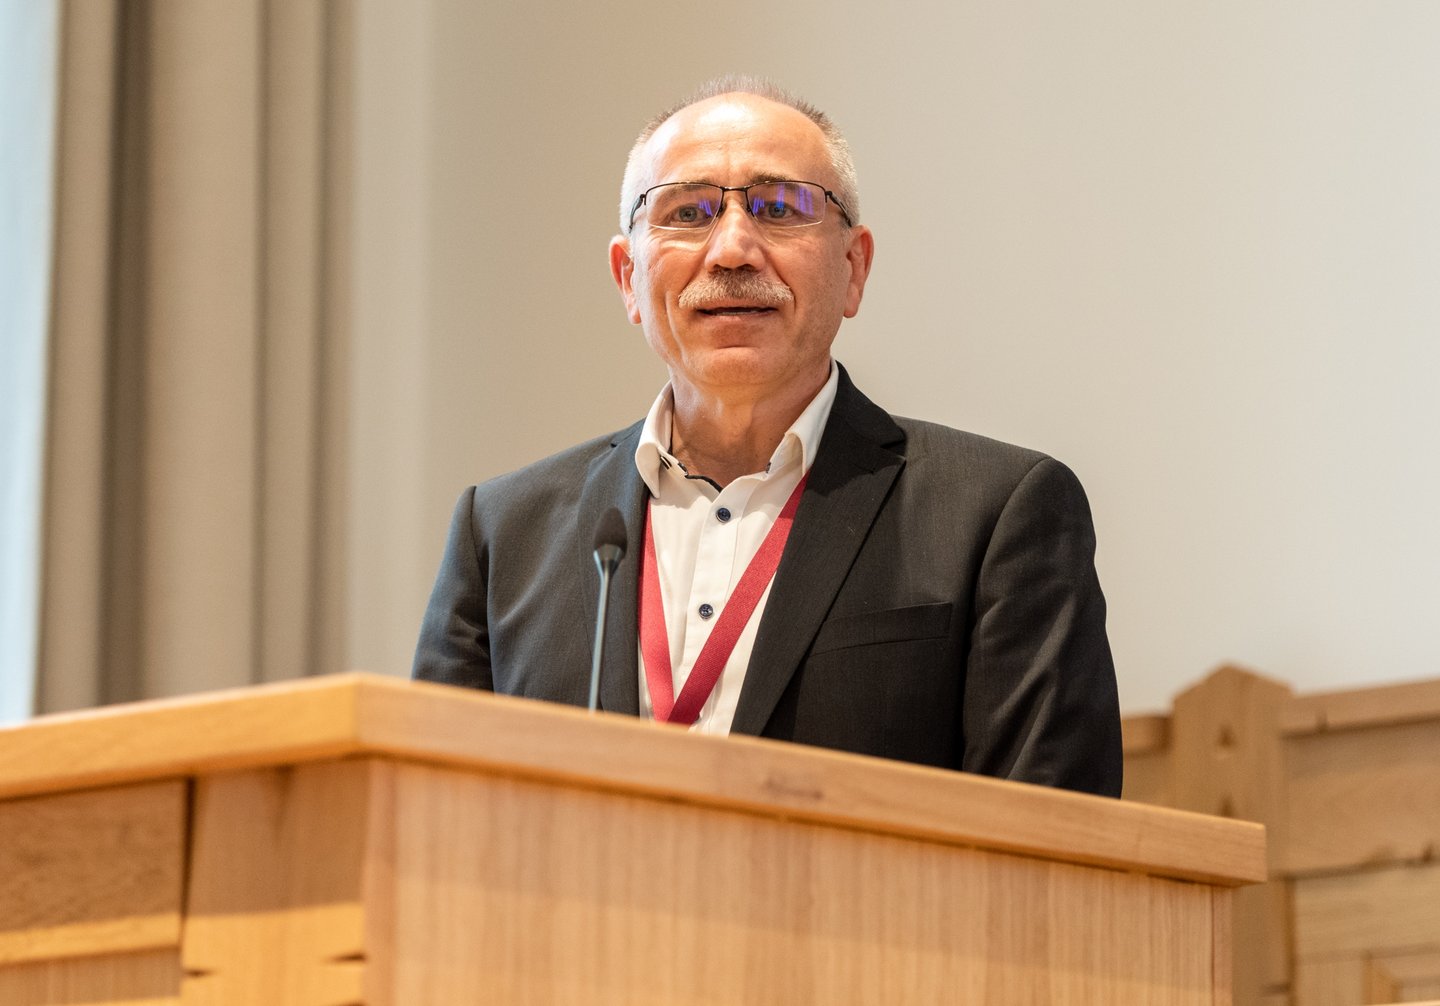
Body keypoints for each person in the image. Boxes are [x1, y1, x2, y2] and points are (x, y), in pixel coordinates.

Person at [413, 77, 1122, 797]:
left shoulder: (995, 515)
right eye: (687, 212)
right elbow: (429, 816)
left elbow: (1052, 833)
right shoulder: (504, 535)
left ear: (853, 268)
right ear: (628, 278)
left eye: (780, 208)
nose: (732, 250)